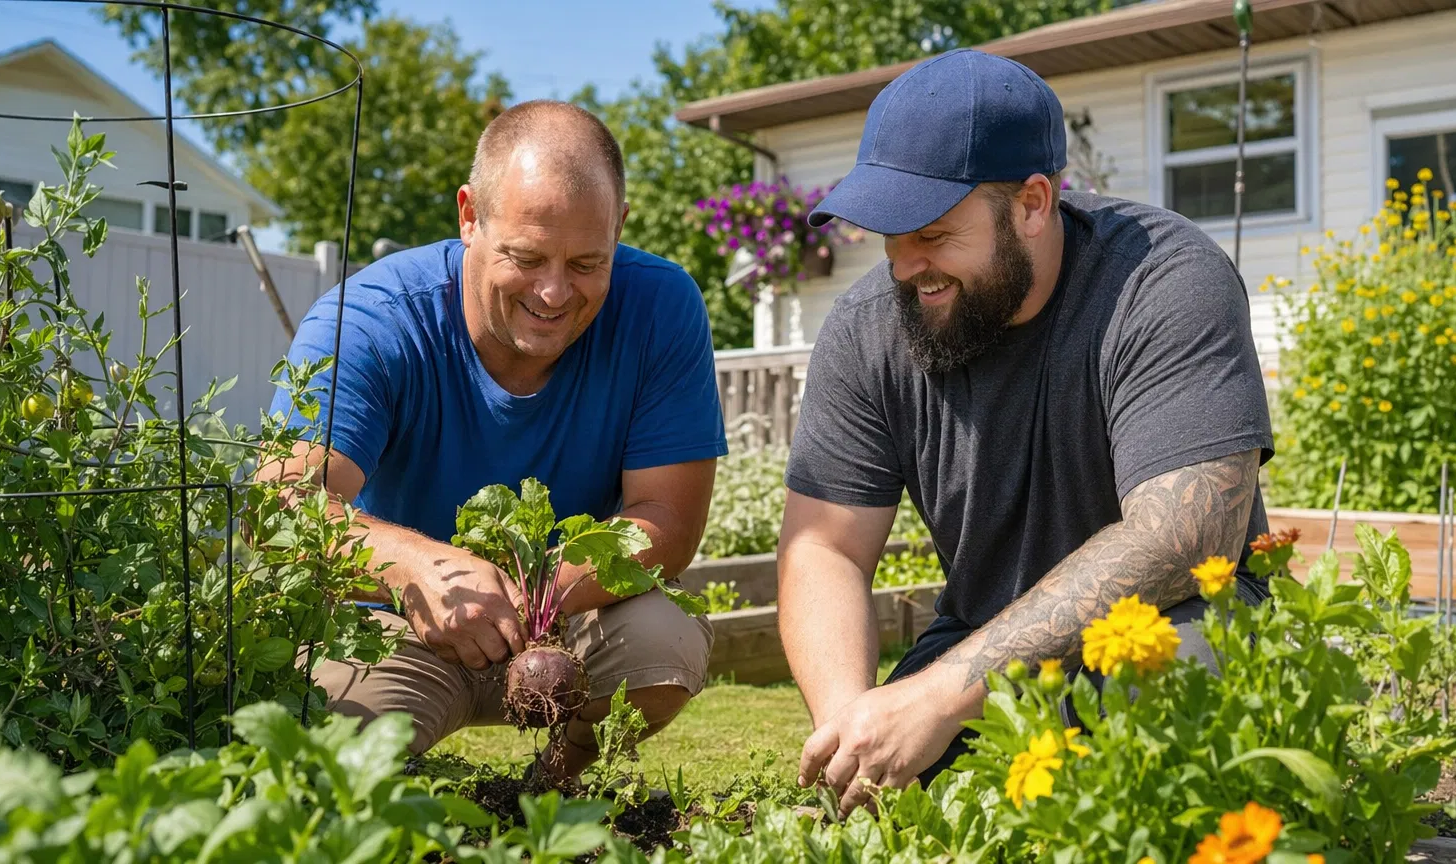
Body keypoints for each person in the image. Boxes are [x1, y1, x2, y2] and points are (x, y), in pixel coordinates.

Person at [777, 48, 1274, 816]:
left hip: (1171, 626)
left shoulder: (1164, 281)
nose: (906, 266)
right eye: (888, 234)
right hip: (981, 658)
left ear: (1033, 204)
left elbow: (1186, 534)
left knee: (1170, 724)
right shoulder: (869, 329)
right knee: (911, 812)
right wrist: (853, 730)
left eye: (933, 233)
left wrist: (945, 690)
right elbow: (825, 546)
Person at [256, 100, 726, 783]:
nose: (555, 292)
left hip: (568, 621)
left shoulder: (661, 306)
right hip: (393, 624)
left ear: (620, 228)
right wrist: (416, 567)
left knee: (666, 638)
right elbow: (282, 508)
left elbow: (669, 523)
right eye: (526, 257)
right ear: (469, 216)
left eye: (588, 262)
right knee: (336, 749)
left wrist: (525, 596)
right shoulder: (374, 320)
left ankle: (551, 784)